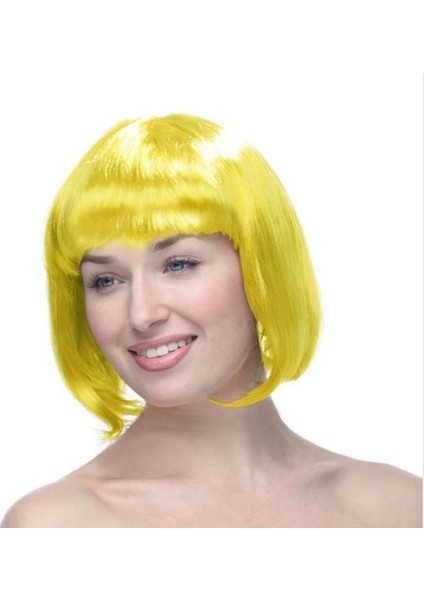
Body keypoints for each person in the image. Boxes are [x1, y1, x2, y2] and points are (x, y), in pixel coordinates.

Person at [2, 114, 421, 527]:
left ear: (261, 267)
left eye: (178, 264)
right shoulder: (56, 526)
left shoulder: (399, 510)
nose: (142, 314)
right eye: (106, 280)